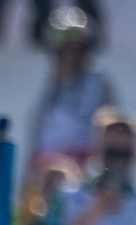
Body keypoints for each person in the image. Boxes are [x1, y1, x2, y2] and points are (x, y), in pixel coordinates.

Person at [28, 9, 114, 171]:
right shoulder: (48, 87)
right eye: (64, 51)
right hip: (46, 166)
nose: (70, 57)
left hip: (84, 166)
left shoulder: (99, 84)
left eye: (76, 50)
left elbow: (112, 130)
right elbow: (37, 133)